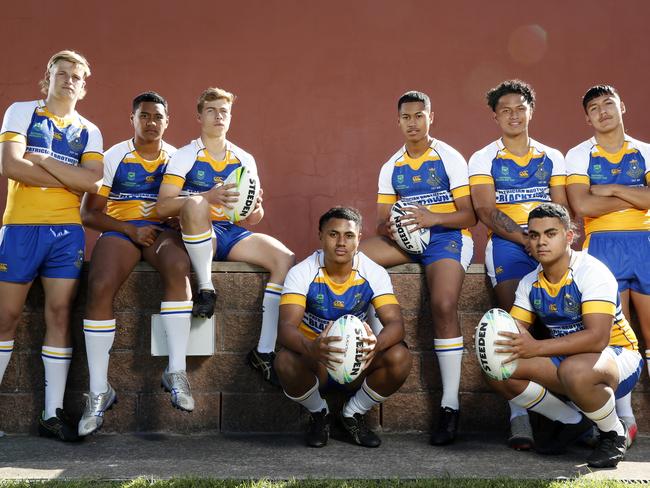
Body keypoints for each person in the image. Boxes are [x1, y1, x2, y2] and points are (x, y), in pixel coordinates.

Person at [156, 87, 294, 385]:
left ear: (230, 117)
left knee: (284, 257)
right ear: (199, 116)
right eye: (211, 110)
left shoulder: (244, 158)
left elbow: (254, 217)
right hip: (199, 230)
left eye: (224, 111)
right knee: (194, 203)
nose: (218, 116)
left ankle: (264, 351)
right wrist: (207, 196)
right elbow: (163, 205)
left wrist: (255, 207)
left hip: (230, 232)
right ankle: (206, 289)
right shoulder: (185, 155)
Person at [359, 90, 475, 445]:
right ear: (398, 122)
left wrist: (430, 218)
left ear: (430, 117)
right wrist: (395, 227)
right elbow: (380, 223)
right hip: (410, 241)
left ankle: (450, 406)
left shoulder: (448, 157)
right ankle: (368, 340)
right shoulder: (391, 165)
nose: (413, 123)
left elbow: (469, 215)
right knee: (357, 259)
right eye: (407, 117)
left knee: (442, 305)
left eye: (419, 116)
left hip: (447, 237)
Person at [489, 202, 642, 468]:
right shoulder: (529, 282)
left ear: (569, 236)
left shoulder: (592, 272)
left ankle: (613, 433)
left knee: (575, 370)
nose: (541, 242)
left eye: (550, 234)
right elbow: (514, 331)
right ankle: (572, 421)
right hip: (569, 359)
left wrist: (535, 347)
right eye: (534, 235)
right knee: (499, 367)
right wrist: (493, 338)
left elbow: (597, 339)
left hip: (617, 357)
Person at [0, 50, 103, 441]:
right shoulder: (21, 111)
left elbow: (93, 182)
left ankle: (52, 414)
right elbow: (9, 165)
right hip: (21, 227)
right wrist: (69, 175)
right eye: (62, 73)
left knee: (59, 314)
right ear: (49, 77)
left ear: (84, 84)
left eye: (77, 76)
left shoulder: (89, 130)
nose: (69, 80)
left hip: (66, 232)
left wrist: (41, 161)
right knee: (5, 318)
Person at [77, 92, 194, 436]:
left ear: (167, 121)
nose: (151, 122)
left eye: (158, 116)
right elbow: (88, 213)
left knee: (177, 266)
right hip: (122, 231)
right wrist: (129, 227)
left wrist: (178, 220)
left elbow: (191, 205)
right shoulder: (114, 156)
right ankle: (99, 389)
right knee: (98, 286)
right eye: (144, 116)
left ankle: (175, 371)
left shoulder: (177, 158)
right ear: (132, 119)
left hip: (160, 234)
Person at [468, 80, 569, 450]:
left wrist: (548, 238)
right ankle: (519, 415)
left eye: (520, 108)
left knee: (557, 322)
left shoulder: (552, 156)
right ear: (495, 116)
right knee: (512, 323)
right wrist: (526, 239)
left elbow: (562, 209)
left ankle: (570, 412)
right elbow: (485, 211)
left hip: (551, 240)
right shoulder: (483, 157)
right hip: (510, 247)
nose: (513, 115)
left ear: (531, 111)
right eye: (505, 110)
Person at [275, 207, 412, 447]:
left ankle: (352, 414)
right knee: (284, 361)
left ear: (359, 238)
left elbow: (396, 325)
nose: (341, 242)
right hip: (317, 362)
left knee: (400, 356)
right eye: (333, 234)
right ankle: (320, 414)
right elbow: (286, 328)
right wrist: (311, 348)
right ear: (320, 235)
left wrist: (375, 347)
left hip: (359, 362)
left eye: (349, 235)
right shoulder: (302, 272)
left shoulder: (373, 272)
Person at [565, 84, 649, 445]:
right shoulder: (578, 155)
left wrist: (610, 189)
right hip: (601, 245)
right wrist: (635, 198)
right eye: (594, 108)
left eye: (608, 104)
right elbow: (582, 207)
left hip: (645, 243)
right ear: (587, 118)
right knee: (618, 336)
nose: (602, 111)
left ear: (622, 107)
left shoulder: (645, 151)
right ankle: (625, 421)